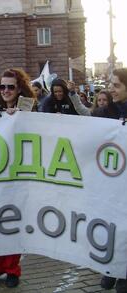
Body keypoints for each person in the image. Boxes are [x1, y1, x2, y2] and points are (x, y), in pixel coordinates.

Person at [0, 68, 36, 288]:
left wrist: (21, 117)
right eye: (1, 86)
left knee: (13, 222)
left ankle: (13, 269)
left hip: (19, 176)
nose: (5, 90)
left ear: (19, 88)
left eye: (10, 87)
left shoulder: (30, 109)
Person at [94, 69, 127, 293]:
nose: (111, 89)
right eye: (111, 84)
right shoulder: (105, 111)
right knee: (111, 224)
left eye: (116, 85)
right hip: (111, 178)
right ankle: (111, 269)